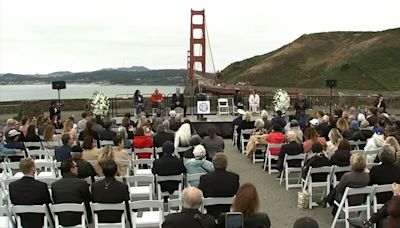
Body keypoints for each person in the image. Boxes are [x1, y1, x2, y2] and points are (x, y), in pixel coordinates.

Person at [9, 158, 52, 228]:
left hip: (21, 220)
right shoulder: (41, 186)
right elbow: (48, 203)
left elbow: (13, 202)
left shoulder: (12, 186)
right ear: (32, 168)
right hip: (39, 220)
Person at [51, 159, 92, 226]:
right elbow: (88, 201)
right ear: (72, 169)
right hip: (80, 219)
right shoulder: (82, 183)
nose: (78, 168)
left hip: (61, 220)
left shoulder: (54, 185)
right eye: (76, 166)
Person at [198, 153, 239, 218]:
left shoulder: (204, 178)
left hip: (210, 210)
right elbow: (236, 192)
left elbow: (200, 193)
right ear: (226, 163)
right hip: (227, 208)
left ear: (213, 164)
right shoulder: (234, 177)